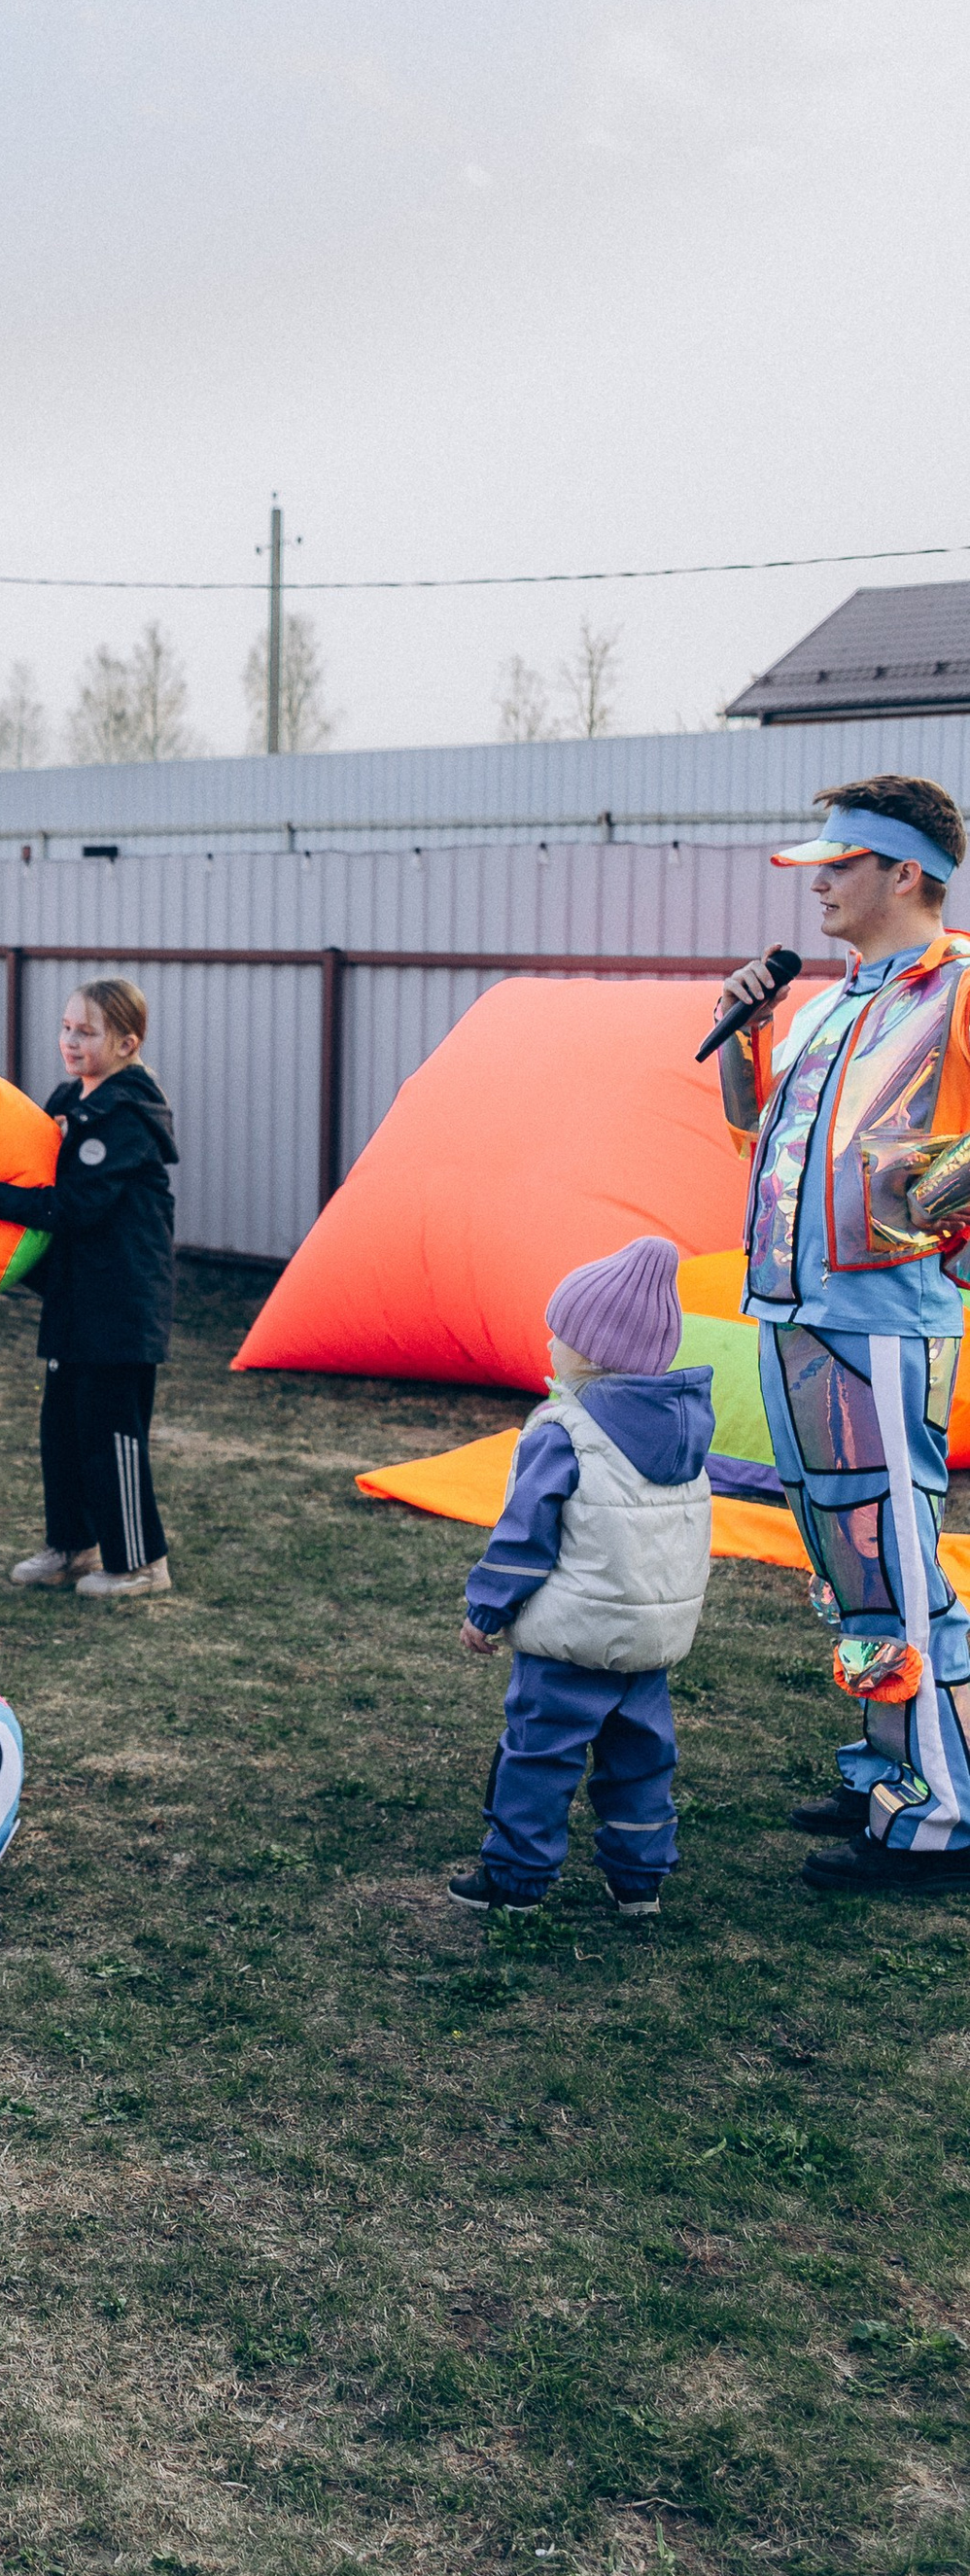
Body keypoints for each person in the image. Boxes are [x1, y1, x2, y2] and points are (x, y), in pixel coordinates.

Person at [711, 774, 970, 1895]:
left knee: (898, 1563)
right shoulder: (826, 1001)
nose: (818, 883)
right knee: (847, 1557)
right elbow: (751, 1136)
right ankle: (884, 1765)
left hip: (881, 1319)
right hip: (793, 1309)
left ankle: (942, 1815)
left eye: (838, 864)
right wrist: (741, 1037)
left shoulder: (956, 990)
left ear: (902, 873)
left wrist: (922, 1208)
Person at [448, 1237, 711, 1914]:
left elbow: (523, 1535)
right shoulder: (684, 1433)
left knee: (540, 1756)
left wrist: (487, 1608)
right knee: (642, 1761)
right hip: (648, 1642)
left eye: (558, 1332)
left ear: (589, 1353)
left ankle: (515, 1880)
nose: (549, 1343)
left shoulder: (562, 1432)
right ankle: (639, 1881)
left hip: (572, 1642)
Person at [0, 977, 178, 1598]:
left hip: (120, 1305)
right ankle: (72, 1545)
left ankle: (141, 1563)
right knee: (64, 1428)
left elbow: (80, 1205)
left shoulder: (126, 1114)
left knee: (112, 1431)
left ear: (127, 1041)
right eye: (67, 1027)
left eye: (88, 1032)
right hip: (76, 1300)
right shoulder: (68, 1101)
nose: (71, 1041)